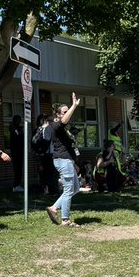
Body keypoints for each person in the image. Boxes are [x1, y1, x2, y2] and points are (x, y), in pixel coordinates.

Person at [44, 92, 83, 227]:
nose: (67, 114)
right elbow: (64, 121)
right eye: (64, 112)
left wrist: (74, 164)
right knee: (68, 190)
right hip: (62, 160)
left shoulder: (63, 128)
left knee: (75, 188)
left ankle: (54, 208)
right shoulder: (56, 125)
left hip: (67, 161)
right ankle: (65, 220)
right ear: (58, 114)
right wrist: (74, 106)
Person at [9, 114, 25, 193]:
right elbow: (17, 135)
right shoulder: (12, 128)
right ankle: (16, 185)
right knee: (17, 169)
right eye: (18, 120)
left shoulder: (19, 128)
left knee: (19, 169)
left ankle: (18, 184)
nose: (19, 122)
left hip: (20, 150)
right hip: (15, 151)